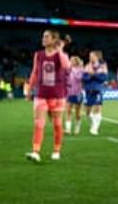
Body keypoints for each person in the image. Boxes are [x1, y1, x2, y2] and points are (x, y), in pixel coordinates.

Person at [25, 30, 71, 162]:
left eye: (46, 37)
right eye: (43, 36)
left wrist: (60, 50)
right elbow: (35, 72)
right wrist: (29, 89)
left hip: (57, 96)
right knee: (39, 123)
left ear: (53, 39)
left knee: (57, 124)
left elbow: (66, 66)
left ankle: (56, 150)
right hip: (41, 94)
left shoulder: (61, 55)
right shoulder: (38, 54)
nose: (43, 39)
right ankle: (36, 151)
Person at [83, 50, 108, 135]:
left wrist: (92, 74)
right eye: (90, 56)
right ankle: (93, 125)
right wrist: (92, 75)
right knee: (87, 112)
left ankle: (95, 128)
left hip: (98, 89)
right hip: (88, 90)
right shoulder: (87, 66)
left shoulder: (102, 67)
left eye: (92, 56)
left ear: (97, 57)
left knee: (97, 108)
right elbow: (84, 78)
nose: (90, 57)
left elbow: (103, 78)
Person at [65, 56, 84, 135]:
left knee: (77, 112)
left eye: (72, 60)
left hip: (78, 93)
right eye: (70, 60)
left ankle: (77, 128)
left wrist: (72, 70)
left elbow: (78, 78)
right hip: (69, 93)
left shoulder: (81, 70)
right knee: (68, 111)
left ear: (76, 62)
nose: (70, 62)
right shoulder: (68, 70)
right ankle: (68, 129)